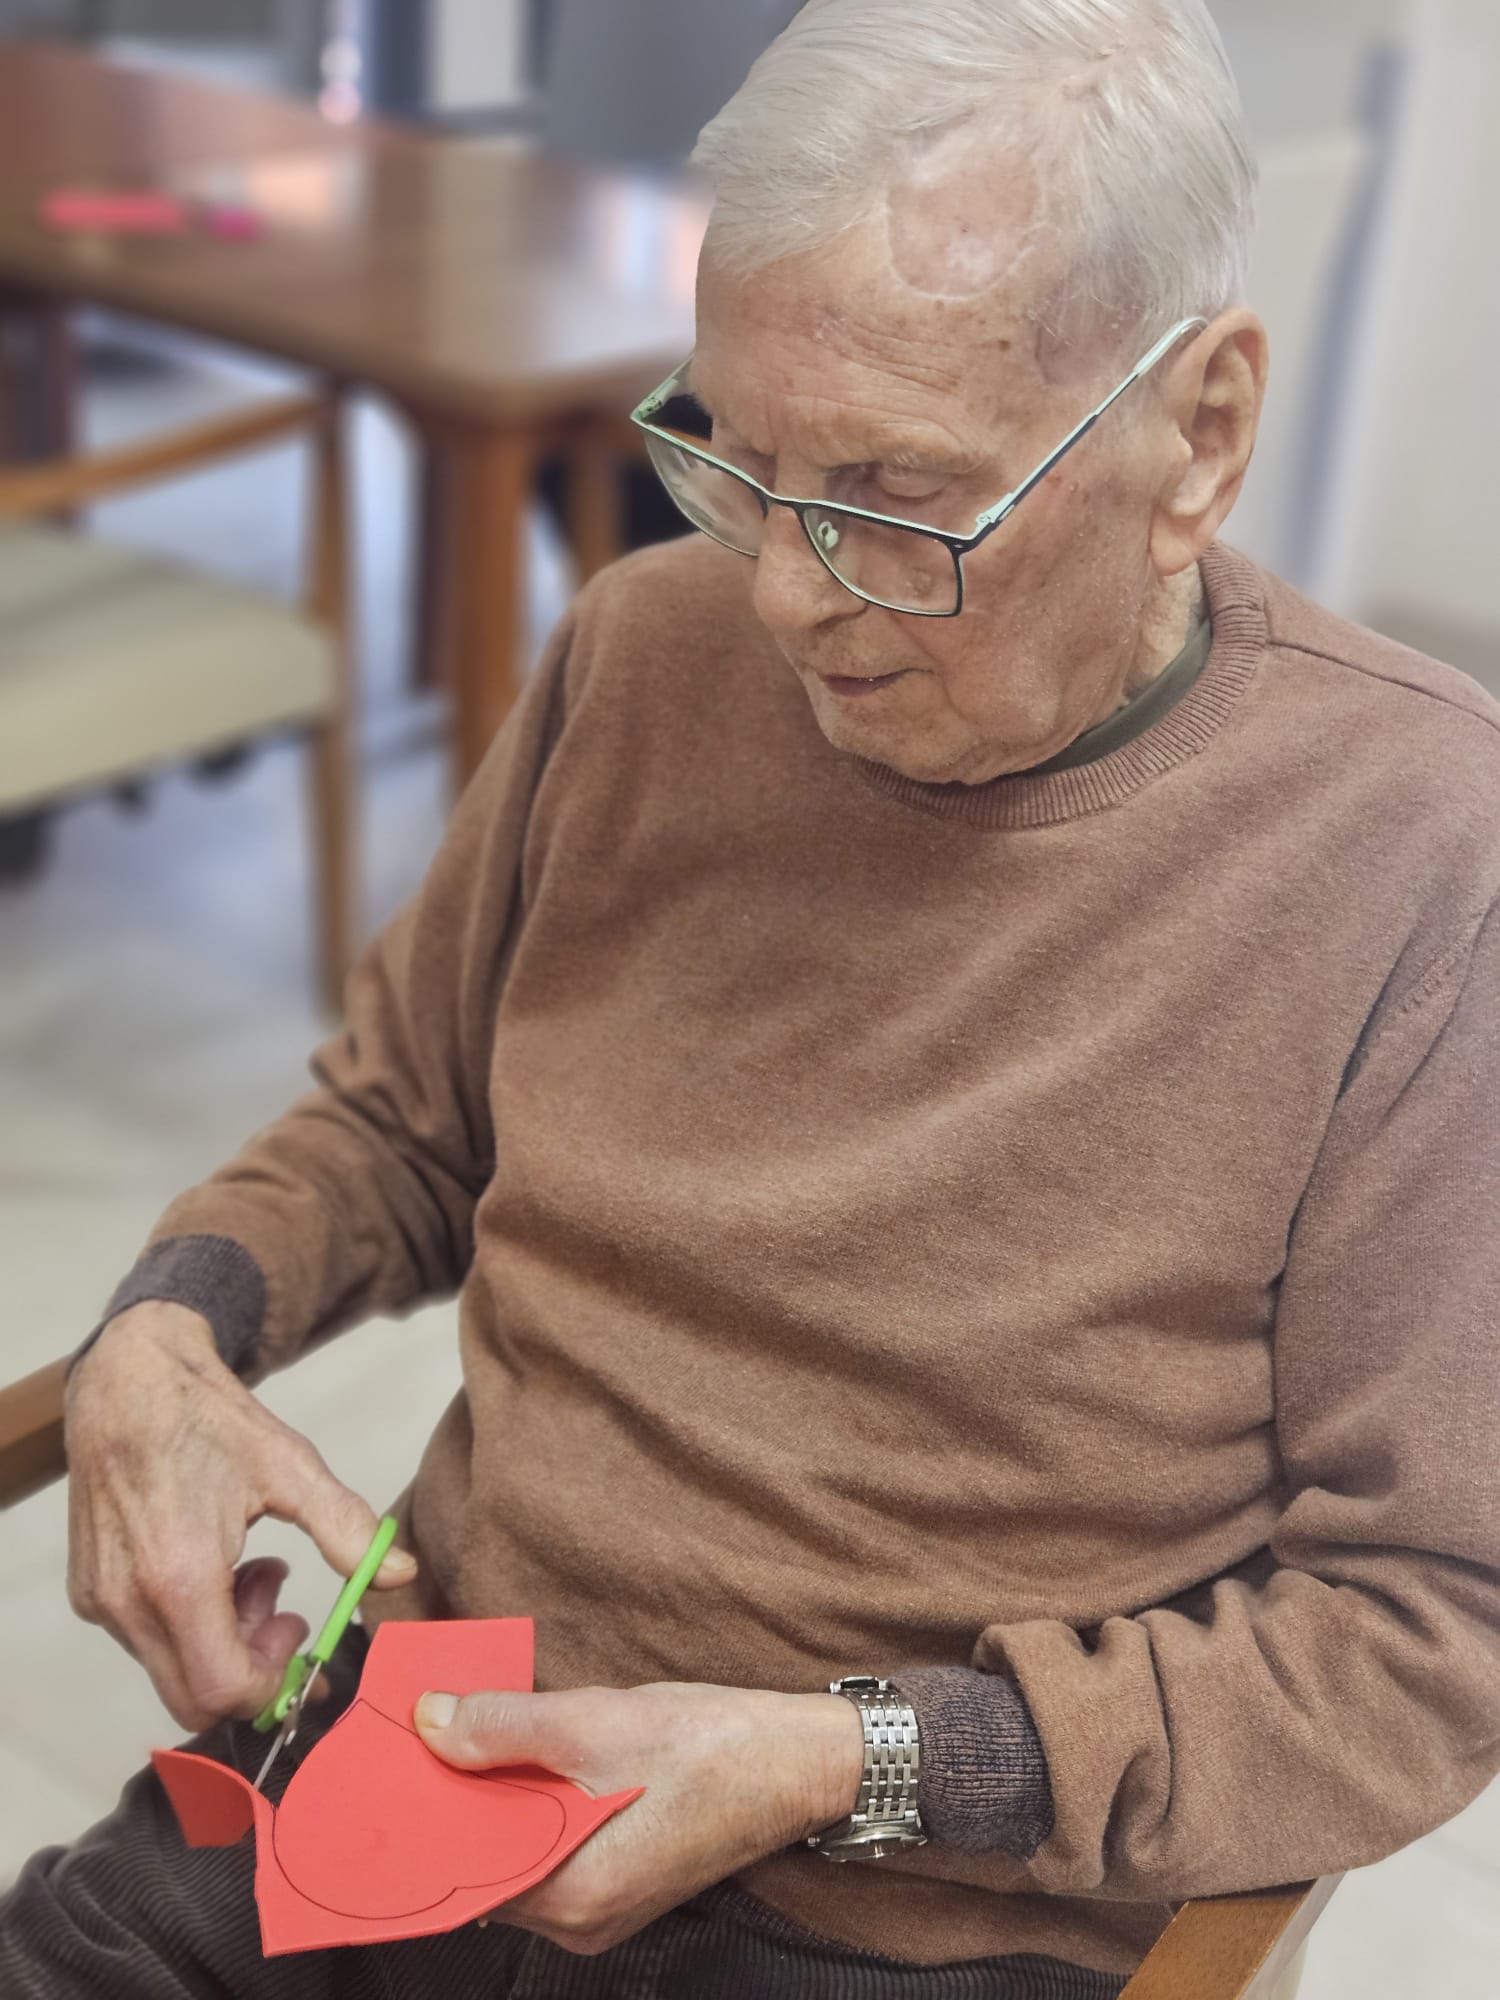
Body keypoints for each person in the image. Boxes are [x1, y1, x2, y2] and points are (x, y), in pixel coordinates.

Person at [6, 1, 1500, 1995]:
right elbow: (402, 1125)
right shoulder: (645, 649)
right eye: (738, 462)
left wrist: (841, 1762)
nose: (787, 592)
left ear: (1200, 433)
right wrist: (163, 1333)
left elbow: (1425, 1631)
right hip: (428, 1767)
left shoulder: (1420, 850)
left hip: (919, 1909)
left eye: (888, 491)